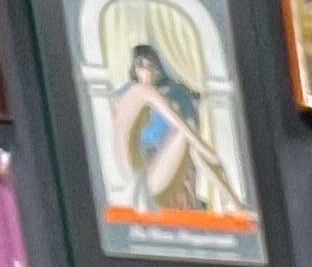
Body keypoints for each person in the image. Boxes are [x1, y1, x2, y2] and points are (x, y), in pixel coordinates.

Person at [107, 38, 249, 220]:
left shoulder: (124, 96)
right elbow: (181, 125)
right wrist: (208, 151)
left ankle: (233, 203)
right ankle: (234, 204)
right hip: (140, 184)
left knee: (188, 142)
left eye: (151, 66)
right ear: (135, 70)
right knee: (187, 134)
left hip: (128, 179)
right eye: (143, 66)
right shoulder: (146, 91)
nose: (148, 72)